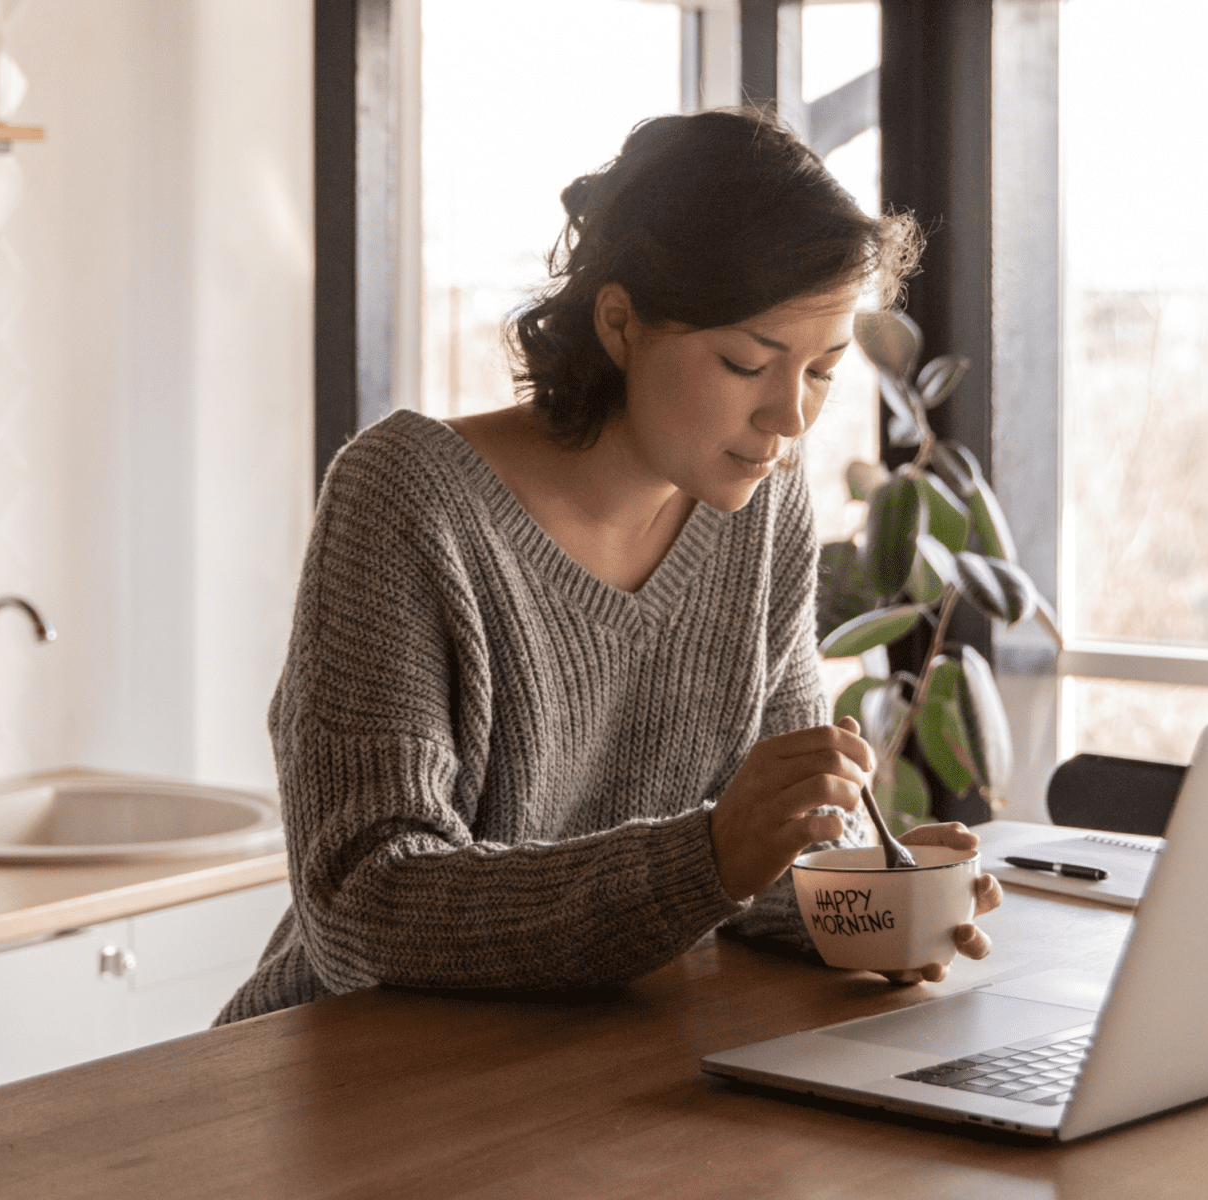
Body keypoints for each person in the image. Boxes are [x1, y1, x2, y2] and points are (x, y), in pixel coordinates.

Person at [217, 108, 1001, 1025]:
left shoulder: (761, 509)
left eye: (822, 371)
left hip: (584, 1072)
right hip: (344, 1079)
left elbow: (761, 854)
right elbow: (364, 906)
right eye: (749, 362)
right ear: (621, 323)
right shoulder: (405, 501)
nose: (790, 419)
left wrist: (870, 900)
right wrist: (710, 855)